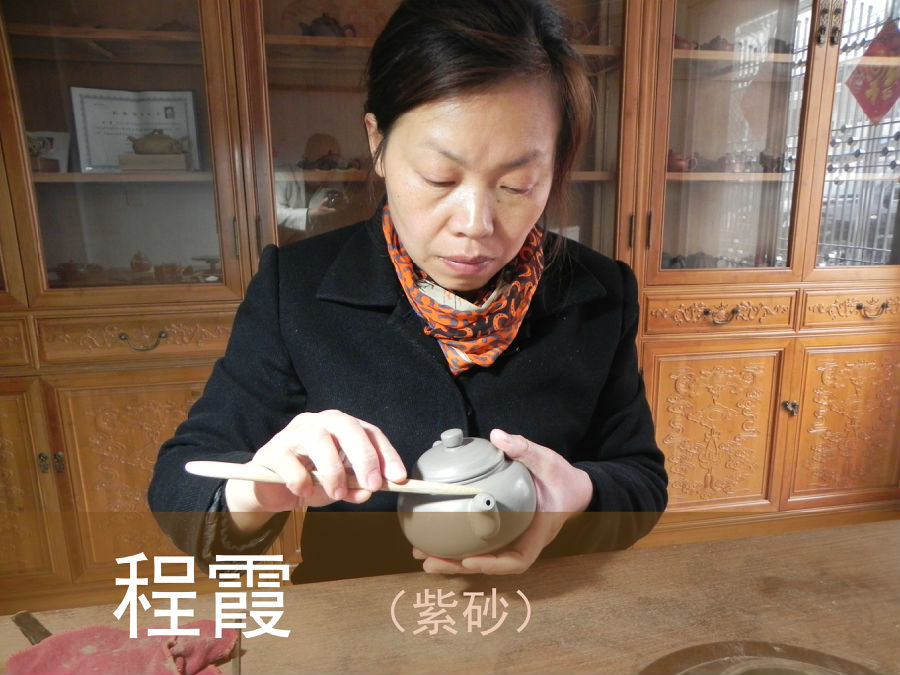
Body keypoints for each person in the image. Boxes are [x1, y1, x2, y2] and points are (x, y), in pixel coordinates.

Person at [149, 0, 667, 583]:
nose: (474, 224)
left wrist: (578, 494)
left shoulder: (599, 292)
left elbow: (641, 480)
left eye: (518, 185)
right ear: (377, 141)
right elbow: (181, 486)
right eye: (439, 178)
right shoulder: (295, 288)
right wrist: (261, 487)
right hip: (361, 622)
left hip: (544, 613)